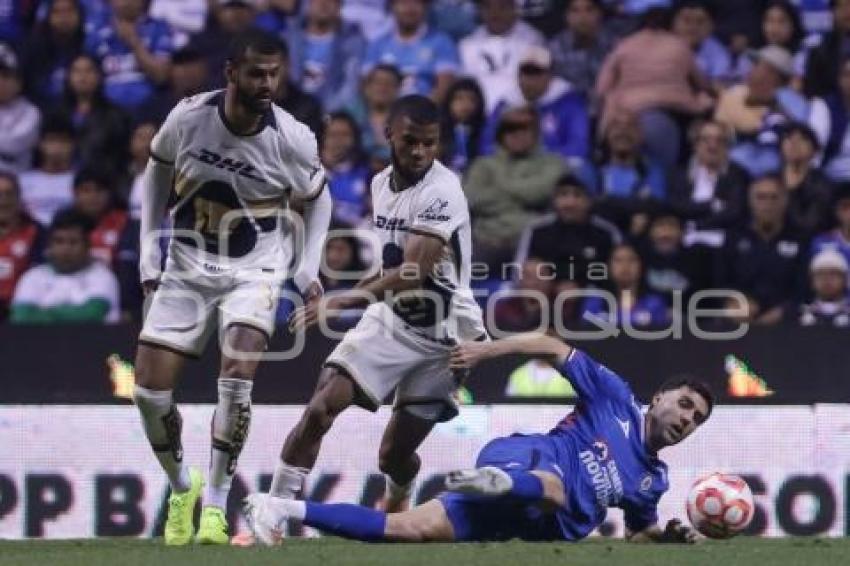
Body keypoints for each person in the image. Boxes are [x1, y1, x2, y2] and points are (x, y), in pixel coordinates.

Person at [243, 95, 488, 539]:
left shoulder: (443, 191)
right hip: (392, 321)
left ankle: (398, 497)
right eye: (411, 141)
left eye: (430, 143)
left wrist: (342, 299)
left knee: (392, 456)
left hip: (448, 336)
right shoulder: (379, 185)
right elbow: (394, 267)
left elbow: (414, 271)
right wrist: (360, 295)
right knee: (321, 405)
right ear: (389, 133)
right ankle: (273, 515)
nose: (419, 152)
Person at [132, 30, 332, 546]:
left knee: (238, 371)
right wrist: (149, 250)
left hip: (257, 267)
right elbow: (157, 172)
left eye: (274, 74)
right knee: (148, 393)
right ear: (231, 73)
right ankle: (183, 488)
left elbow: (319, 197)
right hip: (187, 262)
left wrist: (307, 267)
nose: (267, 84)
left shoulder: (292, 137)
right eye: (256, 74)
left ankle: (217, 504)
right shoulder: (189, 116)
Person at [242, 331, 710, 545]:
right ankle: (498, 479)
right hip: (527, 459)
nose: (687, 419)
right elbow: (550, 345)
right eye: (685, 404)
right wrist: (488, 349)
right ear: (659, 397)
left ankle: (279, 508)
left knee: (406, 530)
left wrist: (669, 535)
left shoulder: (653, 480)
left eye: (697, 420)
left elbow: (638, 533)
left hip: (525, 526)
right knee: (553, 487)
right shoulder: (615, 398)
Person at [465, 105, 567, 271]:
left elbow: (541, 192)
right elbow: (472, 199)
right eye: (511, 129)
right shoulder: (483, 165)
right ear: (500, 134)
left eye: (525, 129)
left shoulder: (553, 163)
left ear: (536, 133)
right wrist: (521, 199)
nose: (518, 134)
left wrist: (499, 185)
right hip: (488, 240)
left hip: (533, 243)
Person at [10, 208, 119, 324]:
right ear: (49, 245)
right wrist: (69, 314)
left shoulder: (103, 276)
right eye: (59, 241)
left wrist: (41, 313)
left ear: (87, 246)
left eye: (73, 242)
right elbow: (20, 316)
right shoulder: (33, 276)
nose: (65, 249)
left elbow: (92, 314)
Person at [362, 0, 459, 103]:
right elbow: (366, 85)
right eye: (403, 3)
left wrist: (422, 111)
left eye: (416, 2)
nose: (409, 9)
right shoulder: (378, 45)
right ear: (392, 7)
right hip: (387, 112)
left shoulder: (442, 43)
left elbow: (445, 85)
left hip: (426, 111)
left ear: (425, 7)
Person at [85, 0, 174, 109]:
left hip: (149, 106)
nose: (127, 2)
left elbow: (161, 76)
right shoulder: (96, 30)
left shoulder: (158, 27)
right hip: (106, 110)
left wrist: (134, 41)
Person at [458, 0, 544, 112]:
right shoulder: (467, 45)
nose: (495, 13)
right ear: (480, 10)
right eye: (488, 7)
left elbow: (538, 85)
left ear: (514, 9)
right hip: (477, 115)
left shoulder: (533, 41)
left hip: (520, 113)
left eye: (502, 7)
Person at [285, 0, 366, 112]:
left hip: (331, 113)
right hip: (291, 110)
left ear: (339, 7)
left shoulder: (352, 44)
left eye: (332, 1)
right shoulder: (288, 39)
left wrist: (326, 112)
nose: (324, 4)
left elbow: (350, 87)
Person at [667, 119, 749, 230]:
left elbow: (733, 212)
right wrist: (711, 205)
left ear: (727, 147)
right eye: (705, 140)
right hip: (684, 236)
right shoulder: (679, 173)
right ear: (695, 144)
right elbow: (676, 206)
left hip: (722, 235)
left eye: (720, 140)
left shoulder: (738, 175)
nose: (713, 146)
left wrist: (698, 224)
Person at [580, 242, 670, 328]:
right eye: (618, 260)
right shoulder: (594, 303)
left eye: (631, 260)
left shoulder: (654, 304)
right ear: (608, 266)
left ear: (641, 266)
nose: (625, 266)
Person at [0, 171, 45, 321]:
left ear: (19, 198)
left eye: (9, 194)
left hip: (22, 313)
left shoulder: (38, 232)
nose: (3, 201)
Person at [548, 0, 617, 97]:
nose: (582, 17)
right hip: (567, 106)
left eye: (589, 10)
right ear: (566, 16)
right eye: (575, 10)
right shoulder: (554, 49)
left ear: (600, 13)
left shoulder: (616, 46)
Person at [18, 117, 76, 226]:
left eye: (63, 141)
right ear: (40, 144)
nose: (57, 147)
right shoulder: (22, 181)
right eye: (51, 140)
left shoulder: (81, 182)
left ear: (73, 145)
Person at [0, 43, 40, 174]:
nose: (1, 82)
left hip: (17, 180)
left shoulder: (30, 112)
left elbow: (13, 145)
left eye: (6, 76)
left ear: (18, 82)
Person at [791, 248, 850, 327]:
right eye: (820, 274)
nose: (827, 279)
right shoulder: (796, 315)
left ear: (845, 280)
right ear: (812, 281)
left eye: (833, 274)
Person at [439, 78, 486, 175]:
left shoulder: (485, 131)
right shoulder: (437, 131)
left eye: (471, 99)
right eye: (459, 98)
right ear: (449, 102)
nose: (465, 105)